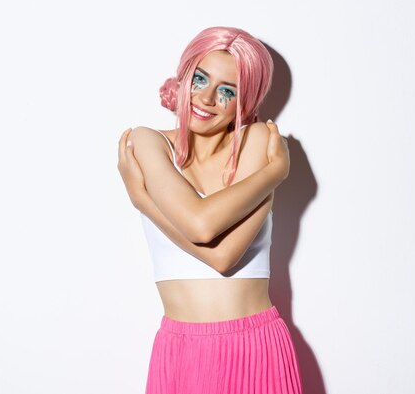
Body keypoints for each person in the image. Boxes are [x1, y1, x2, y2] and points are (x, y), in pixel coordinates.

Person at [117, 26, 303, 394]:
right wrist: (272, 174)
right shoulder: (147, 141)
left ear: (245, 101)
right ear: (183, 77)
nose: (206, 98)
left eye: (228, 91)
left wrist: (144, 201)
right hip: (180, 350)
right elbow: (203, 228)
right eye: (199, 79)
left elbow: (222, 256)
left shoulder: (258, 142)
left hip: (255, 346)